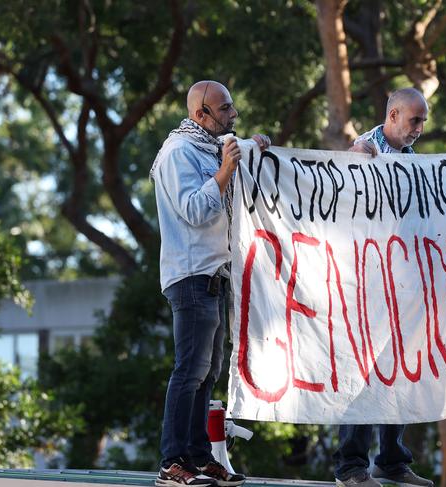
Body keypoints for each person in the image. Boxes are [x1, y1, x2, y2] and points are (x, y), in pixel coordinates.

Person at [150, 80, 270, 487]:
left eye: (232, 107)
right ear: (200, 114)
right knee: (189, 370)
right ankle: (172, 462)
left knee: (208, 371)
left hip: (214, 276)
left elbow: (234, 165)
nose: (232, 115)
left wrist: (252, 148)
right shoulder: (179, 152)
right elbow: (195, 210)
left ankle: (199, 457)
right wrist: (224, 170)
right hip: (190, 274)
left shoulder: (208, 147)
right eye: (225, 109)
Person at [333, 88, 435, 487]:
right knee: (362, 375)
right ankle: (351, 467)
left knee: (400, 374)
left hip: (403, 285)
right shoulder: (360, 152)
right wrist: (350, 167)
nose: (420, 129)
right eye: (415, 120)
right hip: (364, 285)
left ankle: (392, 461)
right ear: (393, 115)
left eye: (423, 121)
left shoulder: (413, 162)